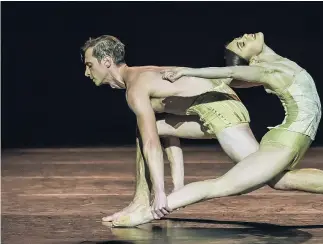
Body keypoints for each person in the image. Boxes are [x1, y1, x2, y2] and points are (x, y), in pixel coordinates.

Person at [111, 32, 323, 227]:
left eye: (241, 38)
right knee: (227, 185)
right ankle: (147, 212)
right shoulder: (268, 71)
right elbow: (227, 73)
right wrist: (188, 71)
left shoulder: (277, 65)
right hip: (286, 139)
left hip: (290, 138)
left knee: (278, 180)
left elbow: (231, 76)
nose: (245, 36)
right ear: (248, 59)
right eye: (241, 43)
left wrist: (211, 74)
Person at [81, 35, 261, 222]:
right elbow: (166, 130)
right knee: (152, 129)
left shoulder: (136, 87)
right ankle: (140, 201)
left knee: (272, 176)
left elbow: (151, 143)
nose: (87, 72)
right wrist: (177, 184)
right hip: (217, 108)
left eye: (90, 65)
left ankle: (144, 202)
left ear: (107, 61)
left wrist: (160, 192)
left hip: (222, 111)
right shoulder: (142, 77)